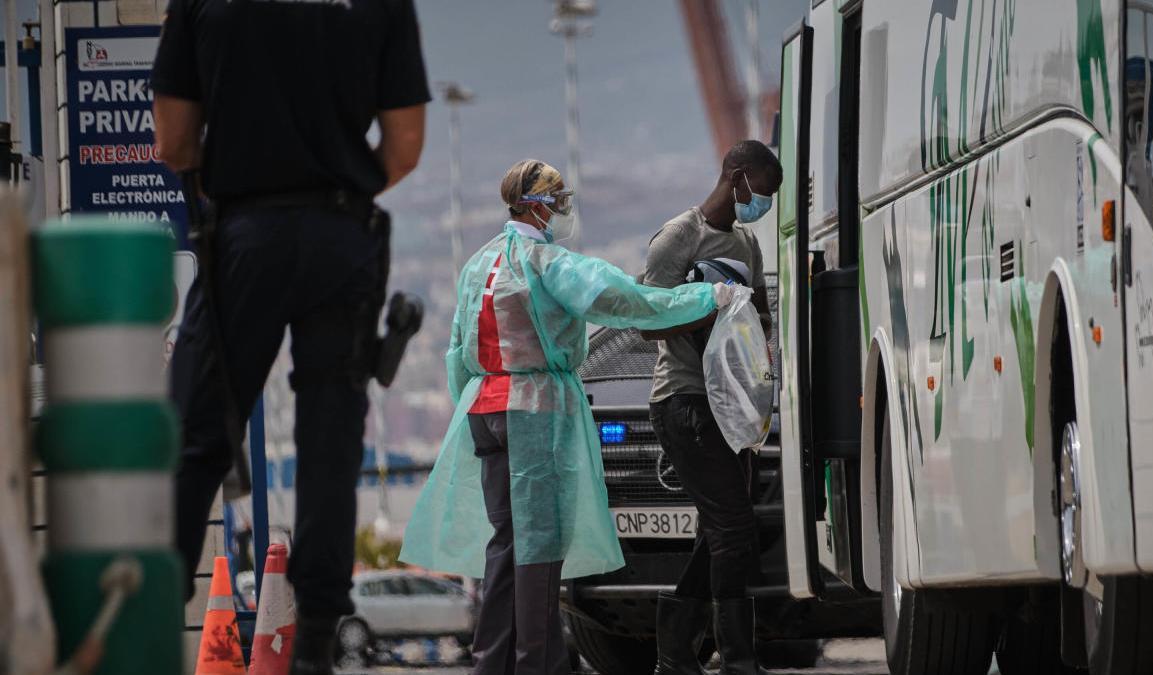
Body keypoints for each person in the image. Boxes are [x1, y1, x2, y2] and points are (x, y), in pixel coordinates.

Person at [151, 1, 429, 672]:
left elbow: (174, 141)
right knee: (331, 444)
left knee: (195, 439)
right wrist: (331, 176)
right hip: (341, 237)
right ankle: (312, 650)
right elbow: (403, 146)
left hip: (244, 236)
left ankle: (150, 624)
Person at [400, 159, 733, 675]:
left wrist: (479, 401)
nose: (563, 212)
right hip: (534, 412)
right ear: (539, 206)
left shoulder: (477, 265)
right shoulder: (547, 263)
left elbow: (458, 353)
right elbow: (625, 302)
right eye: (559, 202)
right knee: (539, 547)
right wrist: (703, 297)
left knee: (505, 545)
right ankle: (540, 664)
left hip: (484, 407)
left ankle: (493, 663)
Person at [641, 140, 782, 675]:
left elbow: (760, 317)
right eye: (763, 193)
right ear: (739, 178)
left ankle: (676, 654)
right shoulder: (679, 238)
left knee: (724, 531)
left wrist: (751, 335)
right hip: (683, 401)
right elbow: (646, 321)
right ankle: (736, 658)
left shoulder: (746, 245)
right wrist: (710, 309)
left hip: (733, 406)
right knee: (733, 528)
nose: (762, 204)